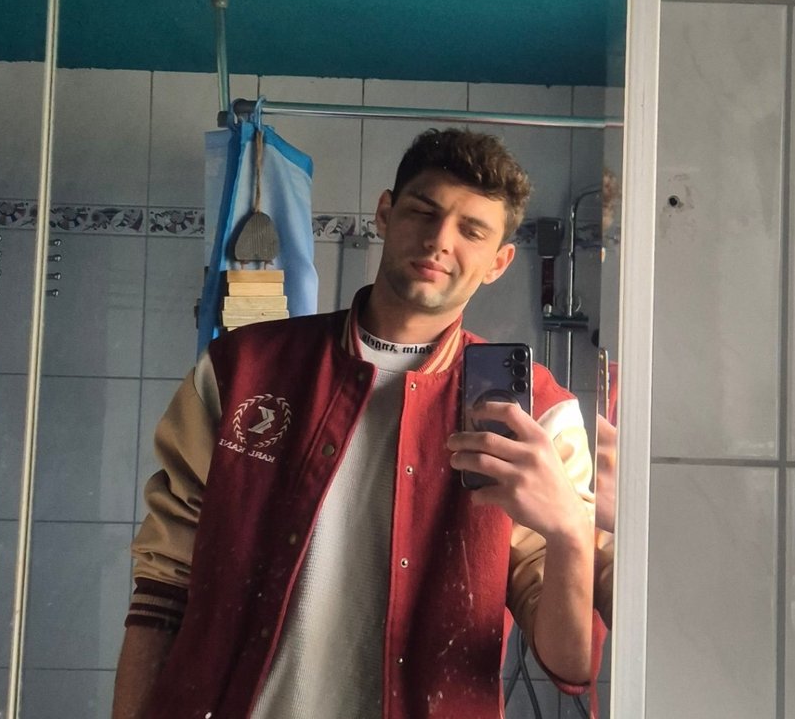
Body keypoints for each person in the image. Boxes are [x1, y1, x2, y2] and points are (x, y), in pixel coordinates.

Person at [112, 128, 595, 719]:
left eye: (472, 230)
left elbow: (571, 664)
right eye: (424, 212)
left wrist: (571, 532)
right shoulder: (242, 370)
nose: (440, 240)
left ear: (498, 262)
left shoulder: (539, 416)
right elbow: (161, 586)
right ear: (385, 213)